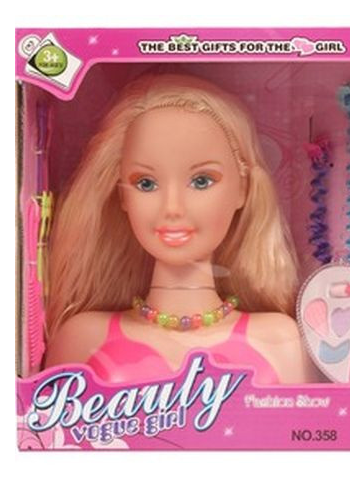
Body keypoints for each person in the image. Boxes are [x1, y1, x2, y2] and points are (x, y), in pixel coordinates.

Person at [45, 73, 317, 384]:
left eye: (201, 181)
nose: (172, 207)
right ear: (122, 196)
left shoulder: (280, 341)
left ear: (242, 189)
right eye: (145, 183)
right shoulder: (83, 339)